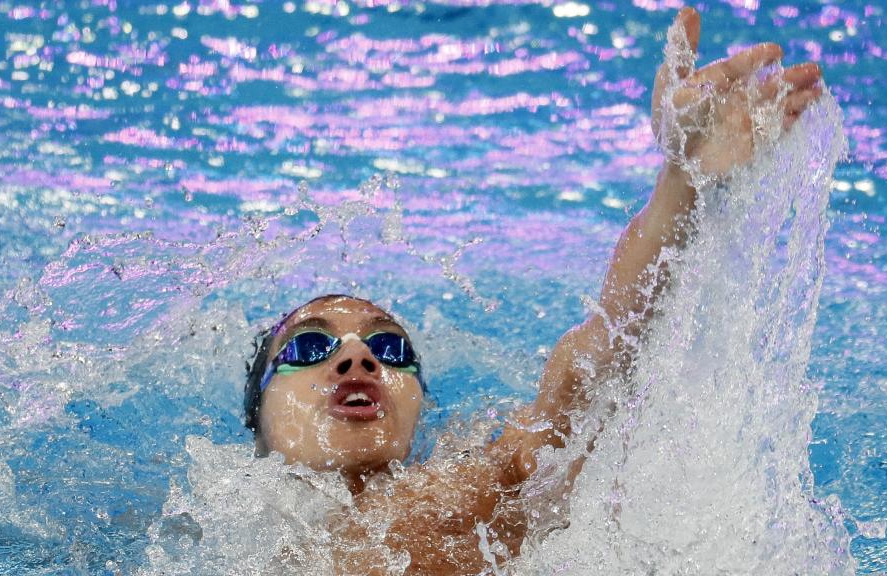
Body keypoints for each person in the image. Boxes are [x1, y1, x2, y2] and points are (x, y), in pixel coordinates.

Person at [241, 7, 825, 575]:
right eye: (309, 348)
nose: (357, 356)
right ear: (258, 418)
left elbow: (592, 361)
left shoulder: (472, 488)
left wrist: (682, 179)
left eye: (391, 351)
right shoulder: (197, 531)